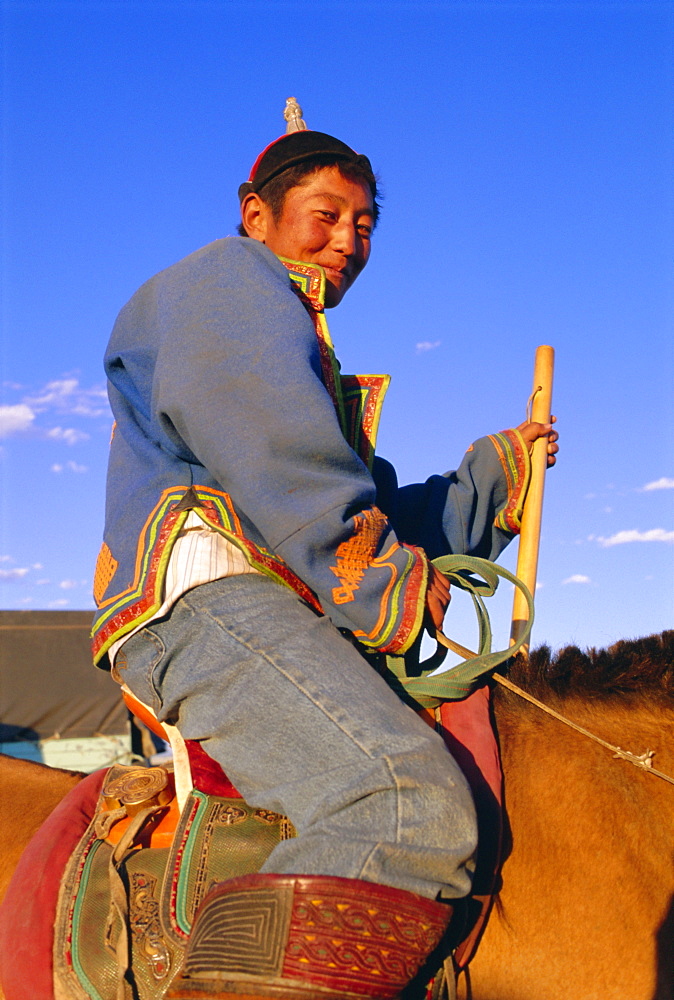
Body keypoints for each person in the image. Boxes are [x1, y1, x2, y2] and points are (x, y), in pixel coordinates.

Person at [92, 106, 557, 999]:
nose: (347, 239)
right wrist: (384, 582)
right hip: (207, 599)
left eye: (365, 223)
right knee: (401, 802)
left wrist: (496, 477)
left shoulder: (293, 341)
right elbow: (296, 479)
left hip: (268, 600)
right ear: (255, 213)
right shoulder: (228, 283)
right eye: (326, 213)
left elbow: (362, 506)